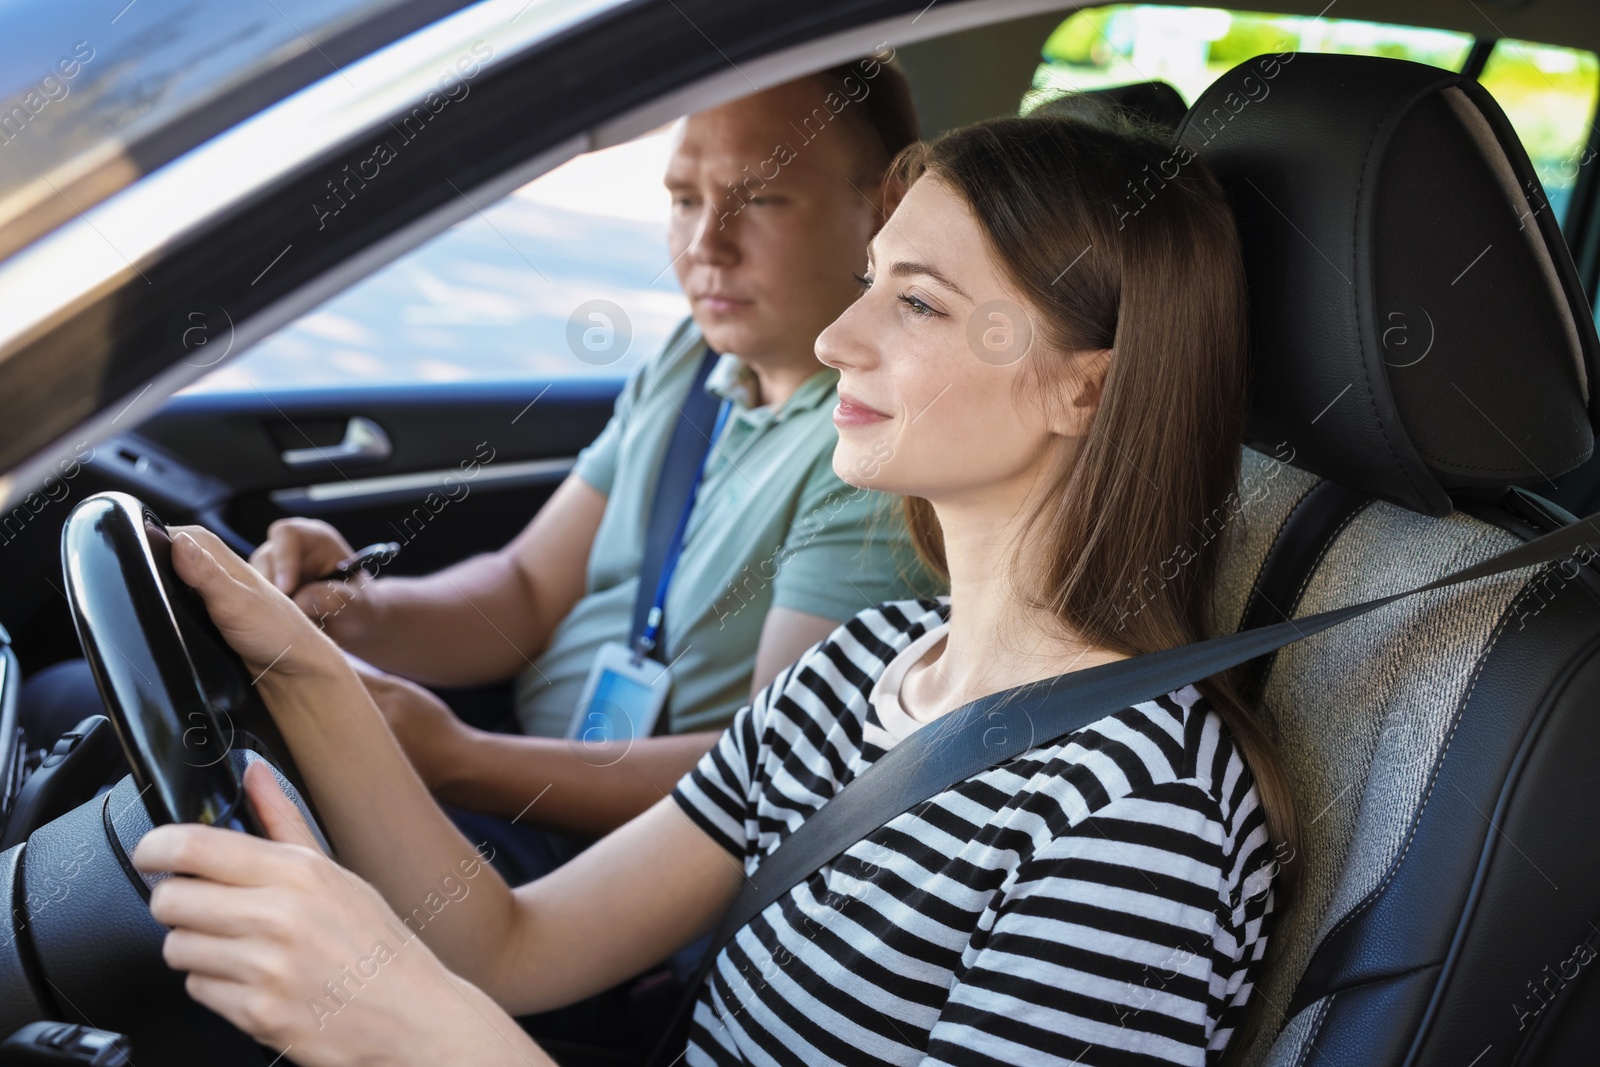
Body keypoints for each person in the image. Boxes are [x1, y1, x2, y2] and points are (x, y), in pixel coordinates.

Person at [131, 109, 1298, 1067]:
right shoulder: (864, 665)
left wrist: (415, 1027)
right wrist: (305, 666)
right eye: (871, 281)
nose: (839, 335)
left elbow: (465, 998)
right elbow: (508, 944)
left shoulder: (1139, 817)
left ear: (1083, 392)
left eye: (920, 301)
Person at [20, 56, 938, 872]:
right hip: (517, 768)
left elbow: (763, 772)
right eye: (685, 200)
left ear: (885, 208)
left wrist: (454, 755)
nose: (704, 246)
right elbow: (522, 591)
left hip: (618, 857)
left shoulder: (872, 445)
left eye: (761, 197)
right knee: (82, 714)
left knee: (132, 815)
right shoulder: (695, 363)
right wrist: (352, 609)